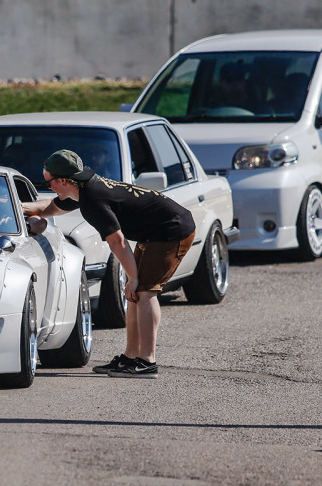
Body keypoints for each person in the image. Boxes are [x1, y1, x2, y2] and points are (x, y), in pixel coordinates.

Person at [22, 150, 196, 378]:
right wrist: (17, 206)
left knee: (145, 291)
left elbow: (117, 241)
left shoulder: (93, 200)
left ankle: (147, 362)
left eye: (49, 182)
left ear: (63, 181)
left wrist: (132, 278)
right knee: (134, 295)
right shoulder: (82, 189)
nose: (48, 186)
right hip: (153, 233)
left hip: (172, 230)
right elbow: (49, 208)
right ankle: (131, 357)